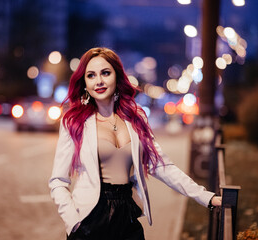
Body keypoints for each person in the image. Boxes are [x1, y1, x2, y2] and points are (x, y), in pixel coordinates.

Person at [49, 47, 222, 240]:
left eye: (105, 73)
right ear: (84, 83)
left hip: (127, 214)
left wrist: (206, 197)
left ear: (117, 76)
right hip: (89, 219)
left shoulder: (135, 116)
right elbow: (58, 180)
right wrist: (74, 222)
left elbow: (161, 166)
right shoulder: (75, 121)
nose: (99, 81)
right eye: (91, 75)